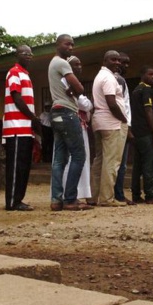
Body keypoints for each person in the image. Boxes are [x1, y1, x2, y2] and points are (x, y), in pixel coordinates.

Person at [48, 34, 92, 211]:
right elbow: (80, 88)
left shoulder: (52, 63)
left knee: (60, 159)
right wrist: (74, 91)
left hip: (56, 112)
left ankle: (56, 200)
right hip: (67, 112)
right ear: (58, 45)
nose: (71, 47)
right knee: (79, 155)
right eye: (67, 44)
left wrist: (70, 91)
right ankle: (70, 199)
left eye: (72, 45)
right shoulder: (62, 63)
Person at [2, 45, 40, 211]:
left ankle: (19, 199)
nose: (28, 56)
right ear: (17, 55)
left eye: (30, 54)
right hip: (15, 128)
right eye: (25, 53)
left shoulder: (26, 74)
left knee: (24, 166)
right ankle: (11, 202)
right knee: (16, 167)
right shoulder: (14, 72)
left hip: (25, 128)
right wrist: (33, 117)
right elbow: (17, 98)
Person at [90, 50, 128, 207]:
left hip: (99, 122)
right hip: (112, 124)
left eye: (119, 60)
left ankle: (93, 196)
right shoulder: (109, 78)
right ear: (105, 60)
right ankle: (107, 198)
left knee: (99, 160)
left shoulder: (99, 76)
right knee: (111, 162)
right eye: (113, 59)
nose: (117, 63)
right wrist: (123, 118)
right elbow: (111, 102)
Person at [130, 65, 153, 204]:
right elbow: (149, 111)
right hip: (145, 132)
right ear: (143, 75)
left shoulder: (135, 90)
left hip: (136, 132)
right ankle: (150, 195)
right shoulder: (147, 90)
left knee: (137, 166)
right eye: (150, 74)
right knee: (148, 164)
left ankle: (136, 194)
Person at [61, 56, 93, 203]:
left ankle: (82, 192)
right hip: (71, 124)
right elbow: (85, 104)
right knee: (73, 159)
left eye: (80, 64)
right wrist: (86, 103)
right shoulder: (64, 82)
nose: (79, 67)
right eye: (76, 65)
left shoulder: (76, 84)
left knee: (82, 160)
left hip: (81, 125)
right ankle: (71, 193)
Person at [113, 51, 135, 205]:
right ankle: (118, 194)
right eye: (122, 62)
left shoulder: (119, 80)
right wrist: (126, 126)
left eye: (127, 63)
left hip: (119, 124)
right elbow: (121, 106)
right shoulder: (117, 80)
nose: (125, 65)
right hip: (119, 126)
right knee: (120, 163)